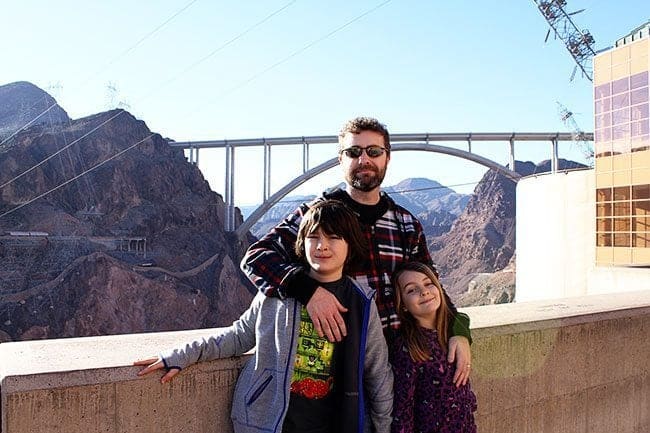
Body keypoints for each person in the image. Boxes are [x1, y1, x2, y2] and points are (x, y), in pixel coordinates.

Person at [241, 116, 472, 386]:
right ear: (341, 160)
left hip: (400, 366)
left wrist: (459, 330)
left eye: (374, 152)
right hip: (338, 370)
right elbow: (256, 258)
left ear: (387, 158)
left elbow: (432, 284)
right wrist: (310, 292)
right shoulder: (316, 217)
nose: (364, 160)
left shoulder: (406, 224)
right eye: (353, 152)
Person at [134, 200, 393, 433]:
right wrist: (182, 355)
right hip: (266, 423)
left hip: (332, 424)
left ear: (350, 245)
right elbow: (237, 337)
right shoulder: (278, 290)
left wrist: (384, 428)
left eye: (334, 237)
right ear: (301, 243)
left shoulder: (361, 304)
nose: (322, 245)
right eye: (314, 237)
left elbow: (377, 373)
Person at [390, 261, 477, 433]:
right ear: (403, 305)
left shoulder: (450, 334)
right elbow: (403, 409)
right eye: (411, 290)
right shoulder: (408, 347)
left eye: (428, 283)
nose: (424, 292)